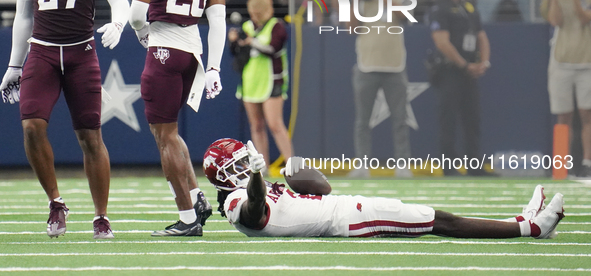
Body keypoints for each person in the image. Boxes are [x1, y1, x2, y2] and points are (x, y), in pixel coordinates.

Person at [0, 0, 131, 239]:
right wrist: (15, 64)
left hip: (81, 52)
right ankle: (56, 202)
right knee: (30, 127)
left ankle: (101, 216)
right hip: (41, 50)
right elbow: (24, 12)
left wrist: (119, 21)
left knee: (90, 137)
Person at [203, 138, 565, 239]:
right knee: (440, 221)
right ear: (222, 177)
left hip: (346, 209)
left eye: (242, 163)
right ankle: (529, 226)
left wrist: (297, 173)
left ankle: (522, 220)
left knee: (437, 219)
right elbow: (254, 212)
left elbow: (324, 189)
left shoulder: (250, 188)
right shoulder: (237, 201)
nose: (241, 168)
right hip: (349, 220)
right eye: (234, 166)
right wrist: (253, 177)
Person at [128, 0, 226, 236]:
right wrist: (214, 67)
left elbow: (137, 13)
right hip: (194, 52)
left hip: (165, 48)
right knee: (169, 132)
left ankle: (187, 219)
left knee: (164, 135)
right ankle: (197, 196)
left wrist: (142, 34)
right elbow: (218, 19)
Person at [427, 0, 492, 177]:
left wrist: (484, 62)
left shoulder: (469, 6)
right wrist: (464, 64)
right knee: (449, 120)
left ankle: (475, 166)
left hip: (469, 71)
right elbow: (441, 42)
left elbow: (481, 35)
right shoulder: (439, 7)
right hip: (449, 71)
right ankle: (449, 167)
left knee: (472, 119)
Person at [349, 0, 412, 178]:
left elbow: (405, 17)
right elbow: (351, 28)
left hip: (395, 67)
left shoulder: (392, 1)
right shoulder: (360, 3)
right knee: (362, 120)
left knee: (400, 118)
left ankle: (402, 164)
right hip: (367, 67)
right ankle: (362, 165)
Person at [227, 0, 293, 169]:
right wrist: (235, 42)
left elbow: (273, 49)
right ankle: (261, 167)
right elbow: (237, 54)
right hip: (250, 81)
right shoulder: (247, 26)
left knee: (275, 124)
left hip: (272, 81)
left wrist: (251, 42)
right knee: (256, 125)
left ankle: (292, 164)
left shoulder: (276, 26)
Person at [541, 0, 591, 178]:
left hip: (586, 60)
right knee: (563, 116)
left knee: (586, 114)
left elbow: (583, 18)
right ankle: (561, 165)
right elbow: (555, 20)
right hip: (561, 60)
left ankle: (587, 163)